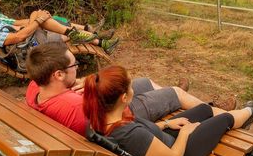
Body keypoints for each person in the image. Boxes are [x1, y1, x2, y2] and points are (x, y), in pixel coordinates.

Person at [83, 65, 253, 156]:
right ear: (124, 97)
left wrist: (167, 124)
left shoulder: (106, 117)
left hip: (164, 143)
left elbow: (144, 135)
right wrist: (185, 133)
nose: (134, 88)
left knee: (204, 110)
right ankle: (251, 109)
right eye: (131, 86)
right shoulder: (128, 133)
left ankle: (240, 118)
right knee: (222, 119)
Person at [25, 42, 195, 136]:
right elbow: (117, 124)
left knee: (144, 81)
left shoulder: (36, 86)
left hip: (102, 104)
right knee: (175, 92)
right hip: (122, 111)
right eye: (75, 65)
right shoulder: (76, 108)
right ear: (59, 75)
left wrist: (87, 82)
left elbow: (73, 84)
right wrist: (163, 125)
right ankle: (185, 99)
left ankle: (172, 97)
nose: (77, 68)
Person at [0, 0, 120, 59]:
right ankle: (97, 40)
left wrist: (36, 20)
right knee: (41, 18)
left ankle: (100, 42)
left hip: (29, 40)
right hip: (25, 50)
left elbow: (17, 28)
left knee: (39, 15)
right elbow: (17, 38)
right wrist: (37, 21)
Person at [0, 0, 114, 40]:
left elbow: (15, 24)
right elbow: (16, 25)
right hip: (30, 36)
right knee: (50, 20)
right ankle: (94, 35)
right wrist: (37, 20)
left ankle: (91, 32)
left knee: (54, 19)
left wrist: (39, 18)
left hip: (29, 33)